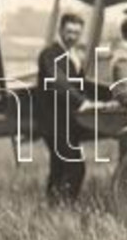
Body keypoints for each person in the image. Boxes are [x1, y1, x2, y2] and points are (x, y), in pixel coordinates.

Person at [34, 13, 90, 203]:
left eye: (76, 33)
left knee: (59, 167)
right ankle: (66, 208)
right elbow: (58, 82)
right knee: (75, 167)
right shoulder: (49, 54)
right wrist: (82, 102)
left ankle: (53, 208)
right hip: (53, 121)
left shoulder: (74, 55)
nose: (72, 37)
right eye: (69, 32)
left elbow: (82, 85)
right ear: (60, 30)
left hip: (68, 121)